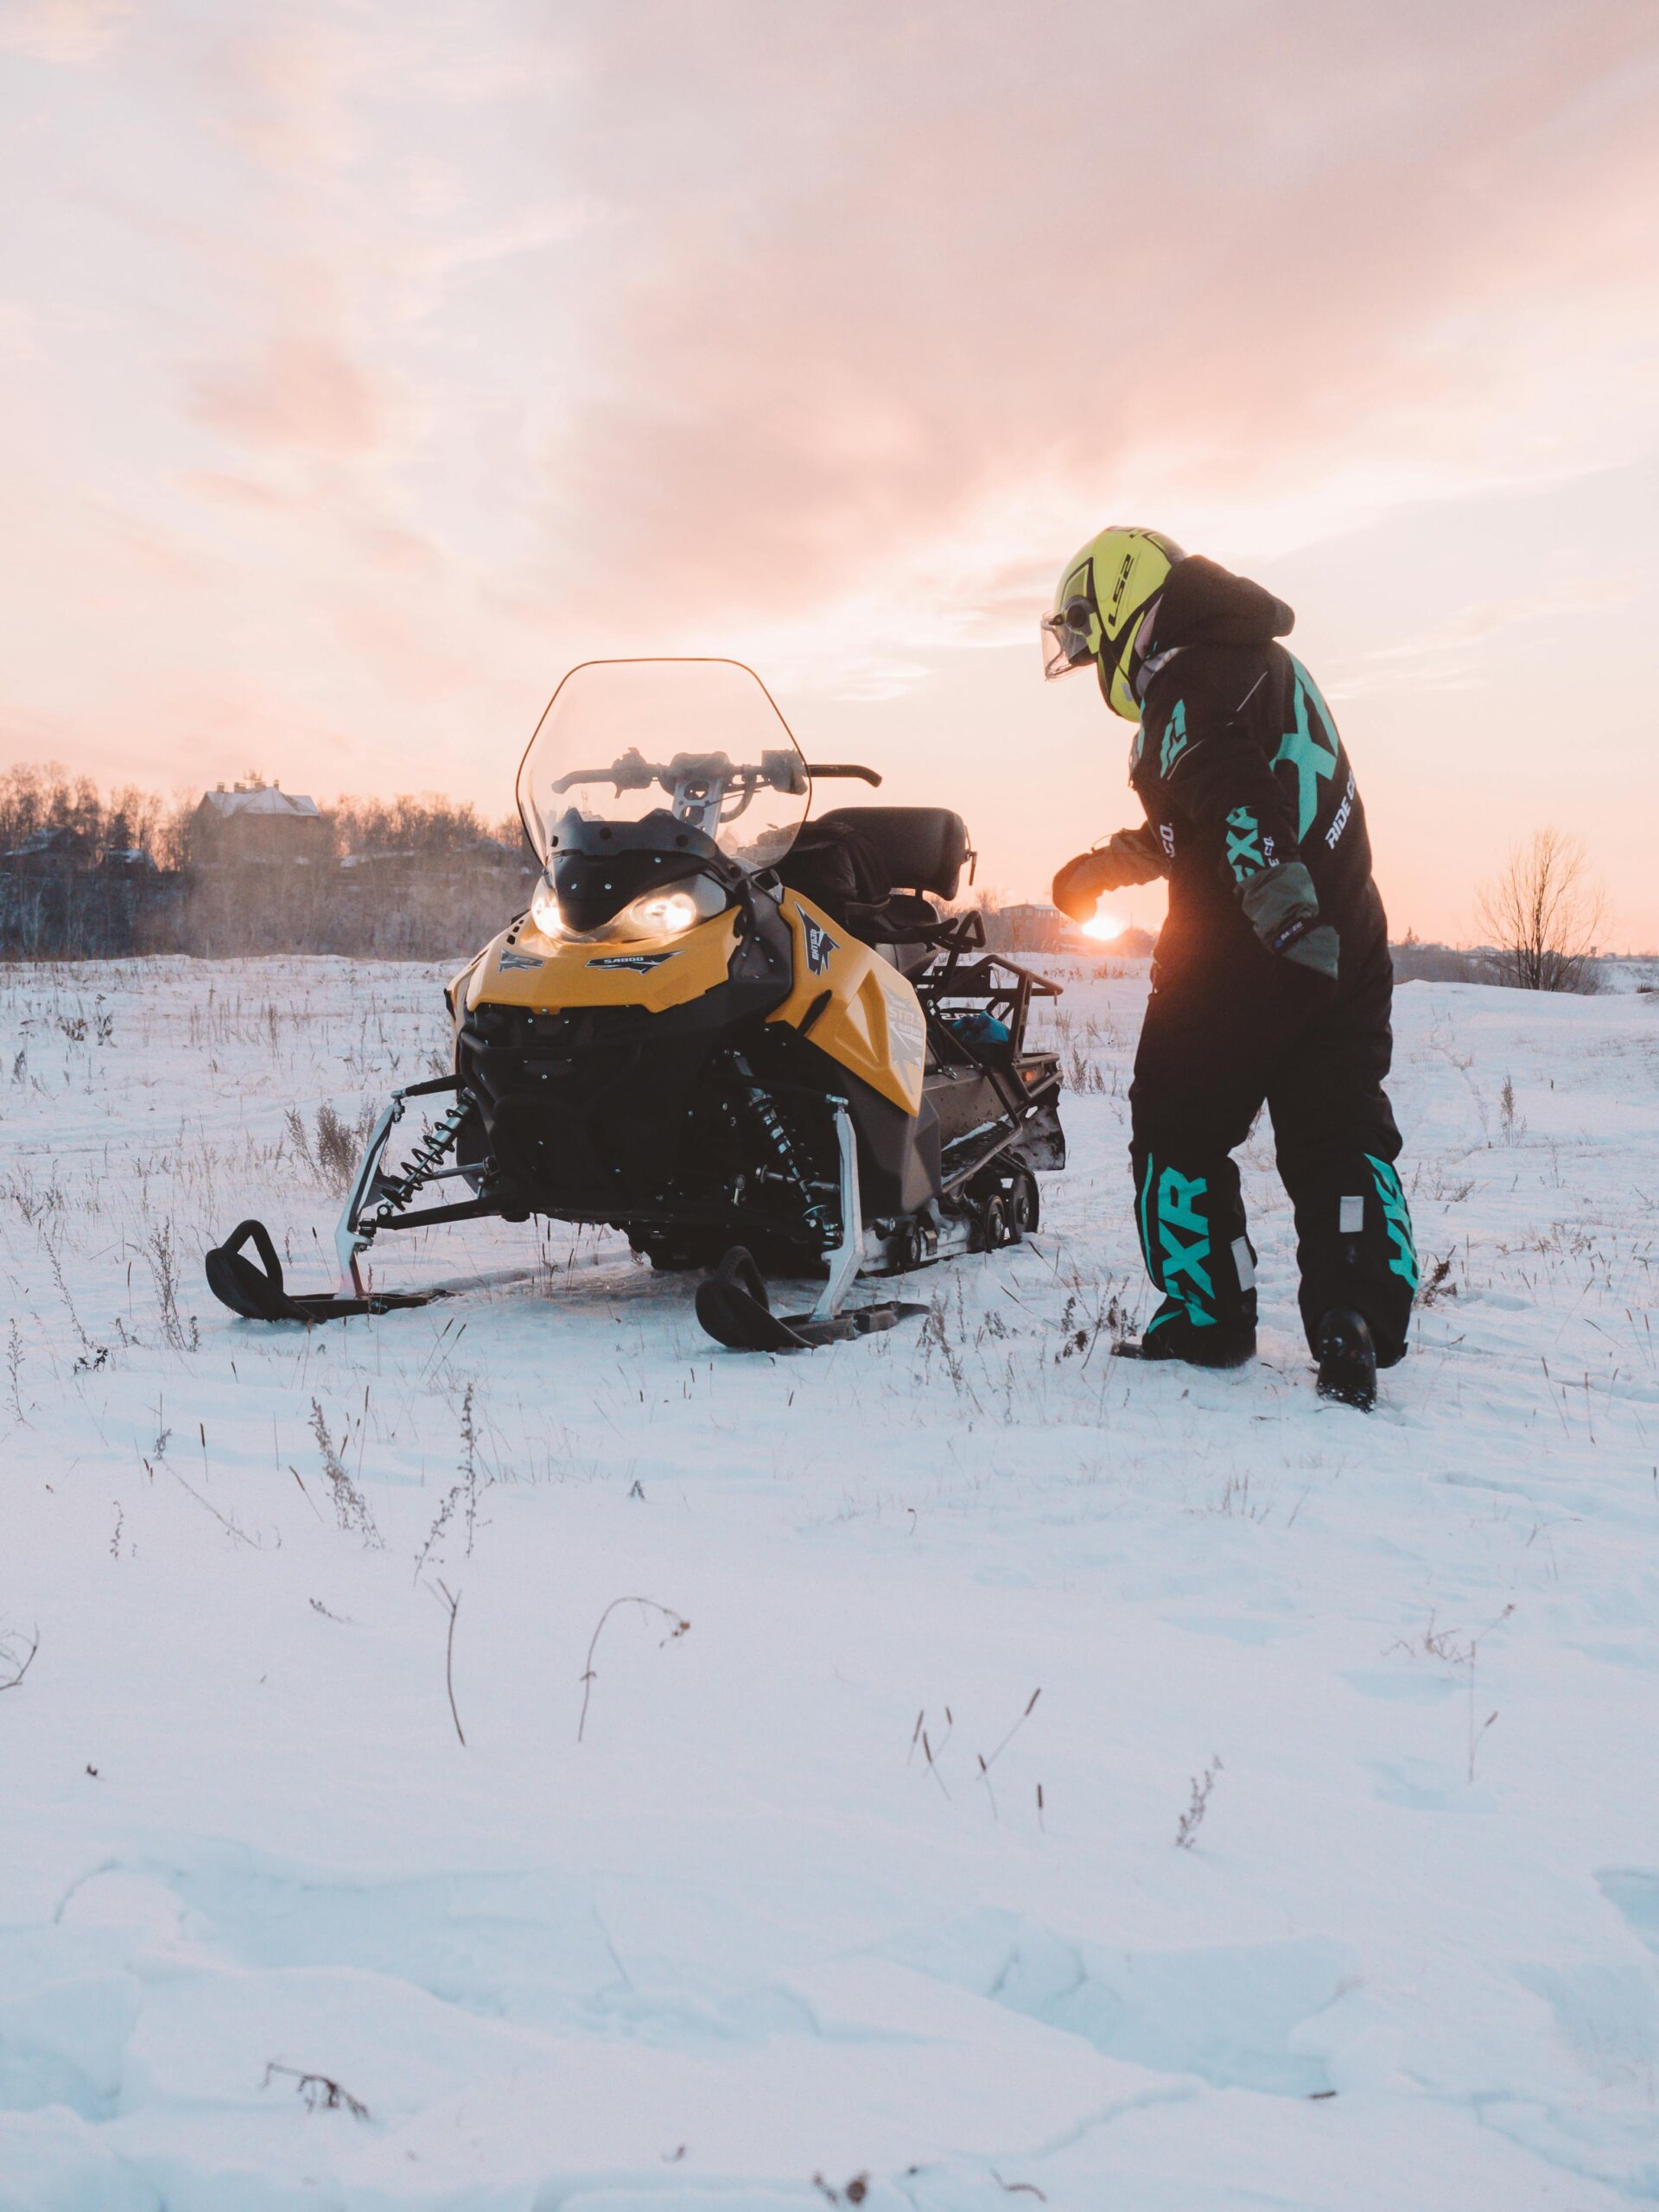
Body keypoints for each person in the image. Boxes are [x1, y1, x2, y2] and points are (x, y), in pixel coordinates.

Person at [1043, 527, 1416, 1408]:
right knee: (1338, 1129)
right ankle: (1353, 1315)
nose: (1090, 653)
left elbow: (1237, 797)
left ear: (1123, 595)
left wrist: (1283, 915)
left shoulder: (1183, 680)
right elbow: (1198, 819)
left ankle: (1209, 1316)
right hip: (1350, 936)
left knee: (1175, 1125)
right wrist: (1105, 868)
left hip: (1248, 948)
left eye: (1086, 628)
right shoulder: (1259, 662)